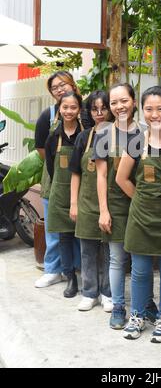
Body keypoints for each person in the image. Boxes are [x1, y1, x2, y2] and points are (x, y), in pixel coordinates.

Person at [116, 86, 161, 343]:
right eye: (149, 109)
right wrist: (141, 200)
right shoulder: (136, 141)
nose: (154, 114)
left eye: (160, 108)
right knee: (140, 272)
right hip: (141, 219)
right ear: (142, 111)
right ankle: (138, 315)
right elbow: (121, 178)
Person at [93, 83, 142, 329]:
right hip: (115, 204)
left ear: (133, 101)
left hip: (143, 204)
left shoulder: (146, 132)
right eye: (114, 102)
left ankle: (143, 306)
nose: (119, 106)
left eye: (124, 100)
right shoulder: (103, 134)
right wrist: (103, 210)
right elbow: (101, 176)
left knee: (141, 259)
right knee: (117, 259)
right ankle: (119, 307)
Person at [34, 71, 82, 288]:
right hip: (53, 179)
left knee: (79, 230)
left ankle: (75, 270)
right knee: (54, 228)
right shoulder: (48, 114)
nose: (60, 89)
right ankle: (53, 269)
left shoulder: (84, 110)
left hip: (81, 179)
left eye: (63, 84)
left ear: (72, 83)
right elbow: (42, 149)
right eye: (55, 87)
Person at [69, 90, 113, 312]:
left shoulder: (119, 136)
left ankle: (107, 292)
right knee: (87, 250)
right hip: (86, 203)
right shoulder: (83, 137)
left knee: (108, 251)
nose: (99, 113)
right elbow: (75, 172)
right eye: (94, 109)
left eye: (103, 108)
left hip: (111, 204)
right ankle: (89, 292)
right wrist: (74, 203)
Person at [45, 91, 83, 298]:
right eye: (65, 107)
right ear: (59, 109)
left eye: (73, 107)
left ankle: (90, 277)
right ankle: (70, 277)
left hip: (84, 194)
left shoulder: (86, 135)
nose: (69, 111)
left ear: (79, 110)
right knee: (64, 239)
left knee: (87, 238)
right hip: (60, 195)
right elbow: (51, 168)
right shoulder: (53, 137)